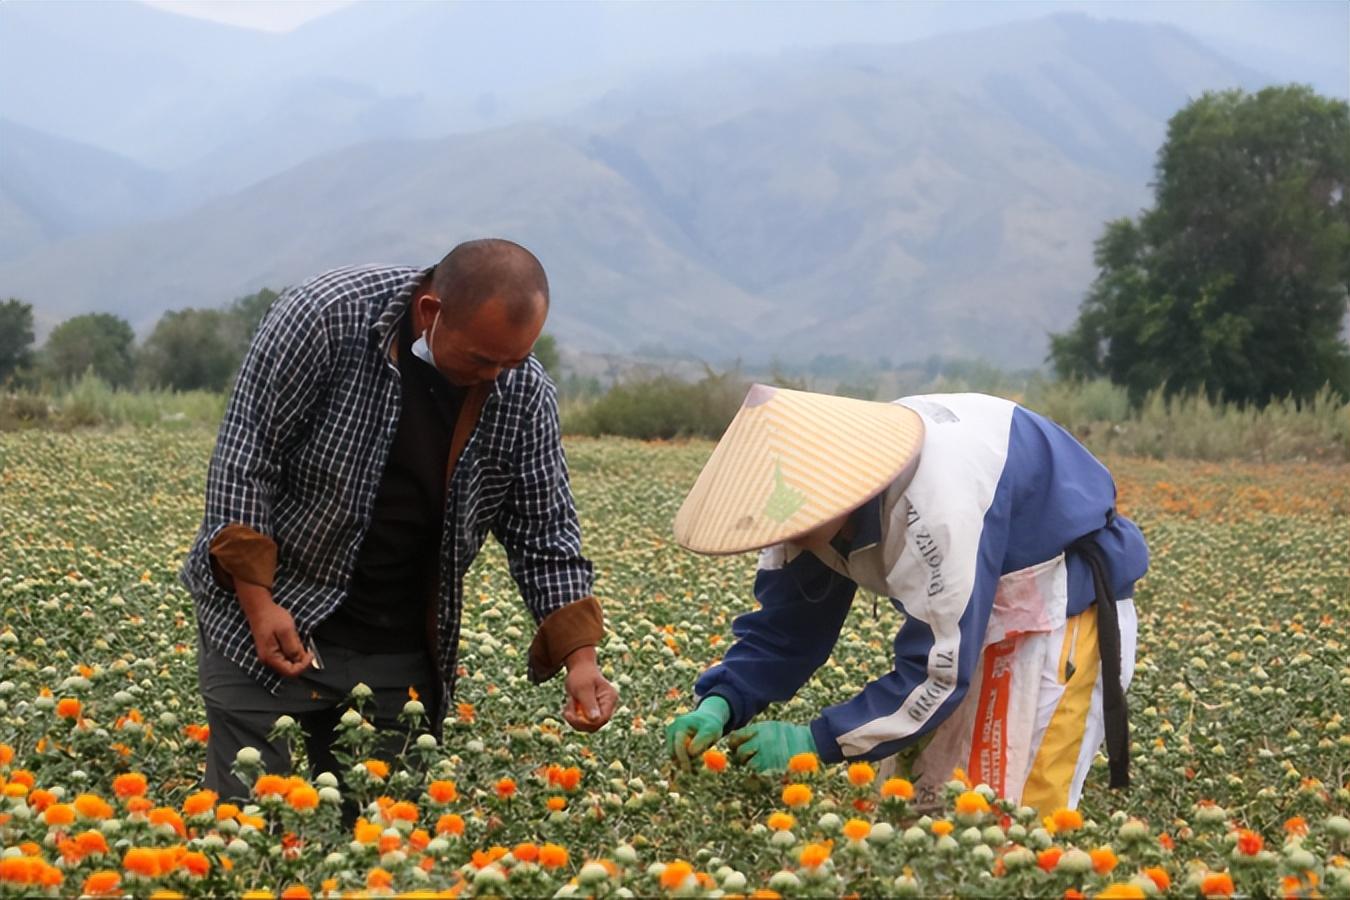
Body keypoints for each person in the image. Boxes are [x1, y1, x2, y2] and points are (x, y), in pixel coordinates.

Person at [181, 239, 618, 798]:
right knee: (250, 826)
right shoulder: (325, 319)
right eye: (482, 359)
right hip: (269, 625)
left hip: (399, 649)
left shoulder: (522, 390)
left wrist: (581, 660)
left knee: (379, 847)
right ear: (431, 312)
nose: (495, 377)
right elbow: (247, 458)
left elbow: (545, 532)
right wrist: (259, 602)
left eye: (514, 360)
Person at [665, 386, 1148, 812]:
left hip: (1054, 619)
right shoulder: (799, 507)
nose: (796, 537)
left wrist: (814, 740)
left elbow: (937, 677)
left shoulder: (935, 508)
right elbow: (788, 630)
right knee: (917, 803)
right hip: (963, 626)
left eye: (803, 524)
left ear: (841, 488)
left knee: (1015, 820)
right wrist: (722, 701)